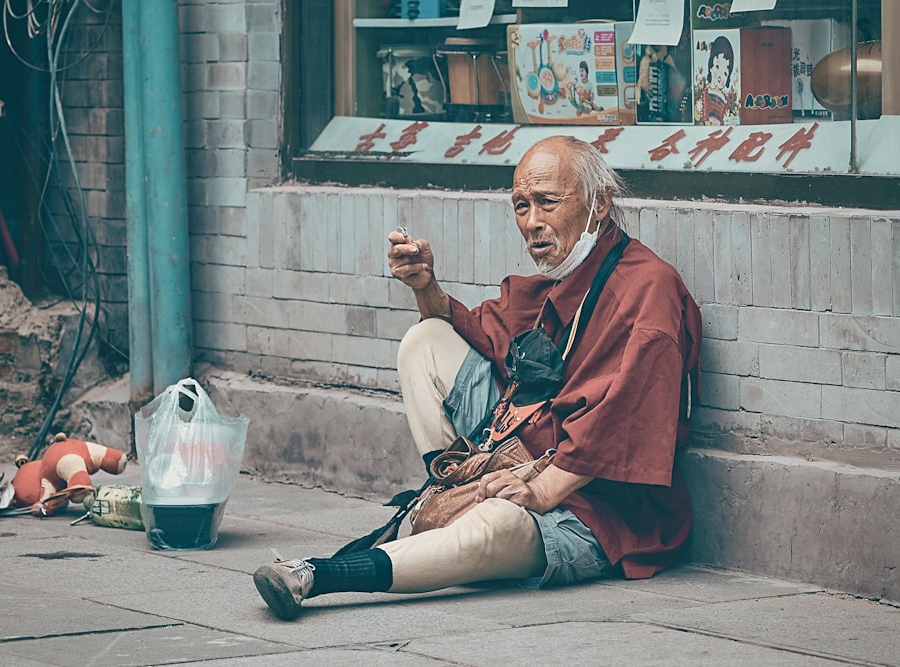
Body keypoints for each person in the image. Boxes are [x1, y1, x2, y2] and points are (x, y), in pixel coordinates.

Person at [253, 136, 702, 621]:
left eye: (548, 203)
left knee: (494, 527)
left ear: (599, 204)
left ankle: (318, 576)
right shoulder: (565, 276)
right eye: (521, 206)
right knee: (424, 341)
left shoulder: (649, 287)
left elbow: (628, 422)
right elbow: (488, 334)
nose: (532, 223)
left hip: (597, 509)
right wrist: (427, 289)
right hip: (516, 456)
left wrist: (541, 492)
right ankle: (451, 497)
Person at [695, 35, 735, 125]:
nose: (720, 76)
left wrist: (728, 117)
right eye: (717, 67)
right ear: (710, 67)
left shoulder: (724, 100)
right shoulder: (705, 92)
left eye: (725, 73)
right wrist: (698, 108)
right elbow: (696, 116)